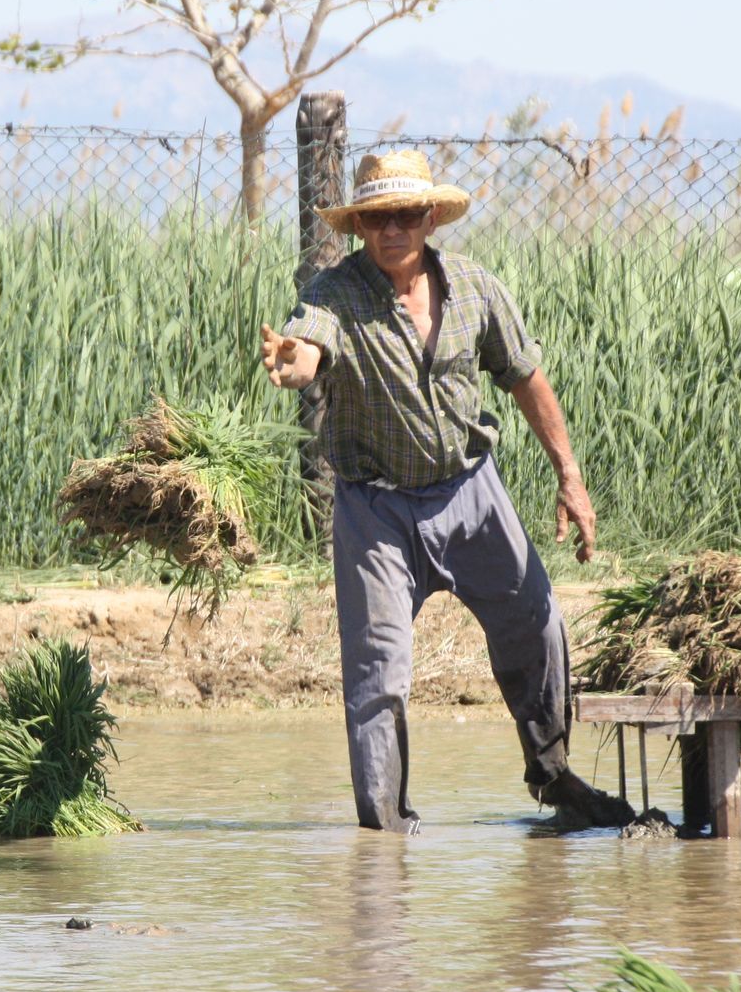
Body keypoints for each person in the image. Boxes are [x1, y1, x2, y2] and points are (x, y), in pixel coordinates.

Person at [260, 148, 633, 833]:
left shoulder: (474, 288)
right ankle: (384, 835)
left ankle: (553, 774)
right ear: (358, 226)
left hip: (469, 492)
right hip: (375, 510)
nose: (392, 229)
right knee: (379, 672)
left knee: (537, 623)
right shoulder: (332, 294)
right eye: (377, 218)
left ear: (430, 218)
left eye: (406, 214)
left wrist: (570, 477)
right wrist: (294, 362)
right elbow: (309, 343)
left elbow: (525, 377)